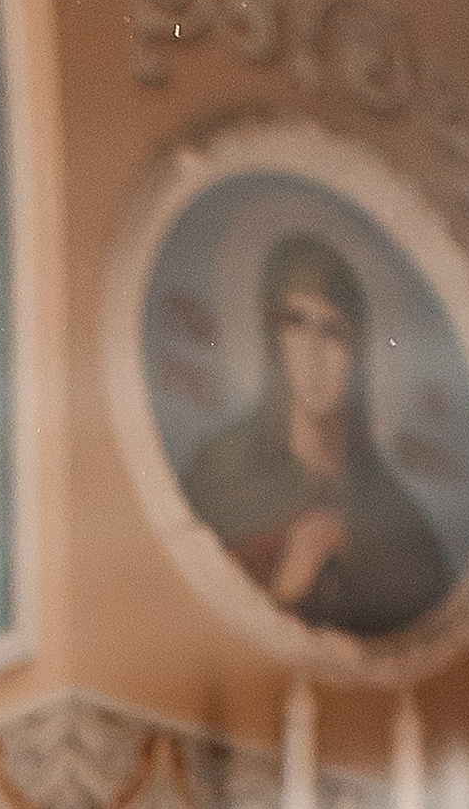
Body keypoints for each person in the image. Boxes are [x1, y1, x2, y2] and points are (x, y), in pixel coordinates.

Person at [178, 227, 455, 638]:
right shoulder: (220, 469)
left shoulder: (400, 518)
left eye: (333, 332)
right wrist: (288, 585)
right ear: (275, 340)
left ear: (357, 354)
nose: (313, 353)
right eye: (296, 324)